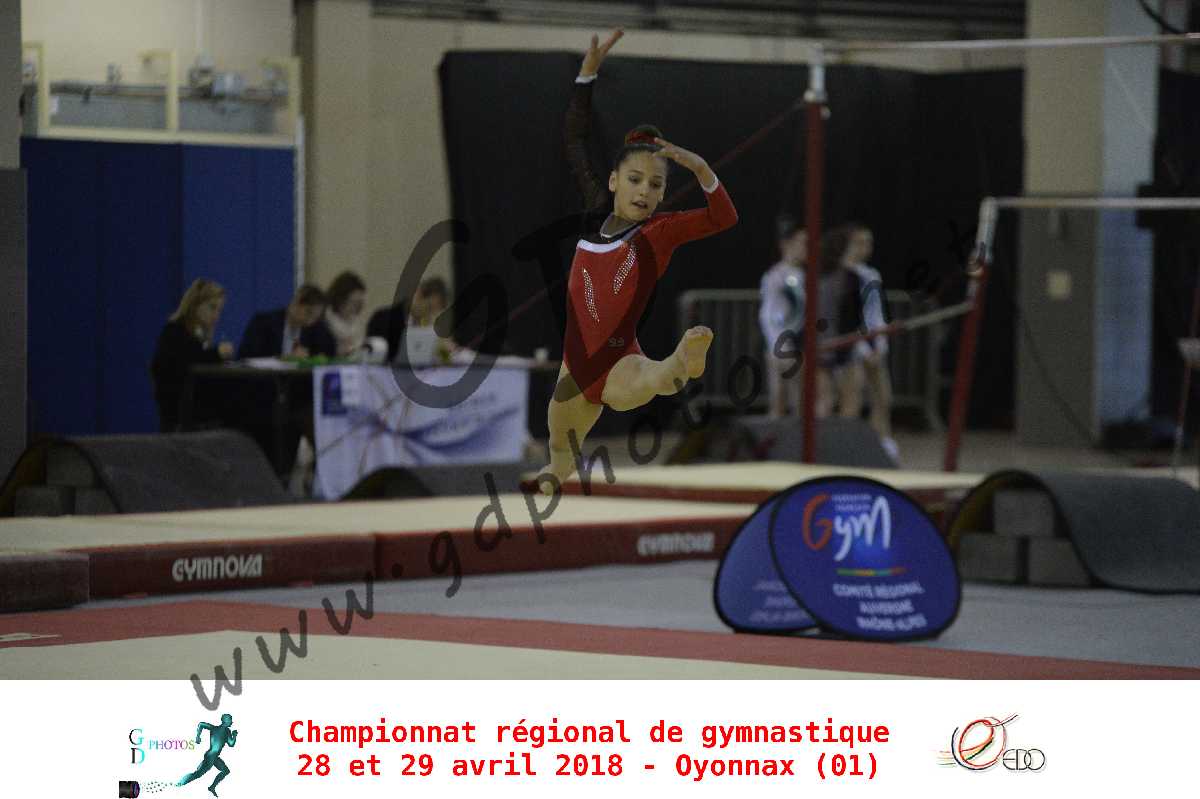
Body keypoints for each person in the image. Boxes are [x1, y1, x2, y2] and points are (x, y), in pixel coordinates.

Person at [540, 29, 738, 492]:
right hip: (573, 368)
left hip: (618, 362)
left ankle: (683, 360)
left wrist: (701, 169)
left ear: (663, 194)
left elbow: (723, 218)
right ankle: (555, 476)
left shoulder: (659, 233)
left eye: (655, 185)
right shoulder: (595, 212)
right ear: (613, 181)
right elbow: (574, 139)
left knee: (654, 378)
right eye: (635, 180)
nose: (644, 191)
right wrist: (587, 75)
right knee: (559, 448)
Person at [835, 223, 899, 463]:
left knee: (884, 397)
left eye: (869, 243)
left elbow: (875, 314)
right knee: (852, 401)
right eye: (860, 242)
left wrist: (880, 346)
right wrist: (862, 348)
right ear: (847, 245)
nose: (866, 248)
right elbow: (845, 318)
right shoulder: (838, 274)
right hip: (849, 346)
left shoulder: (871, 274)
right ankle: (844, 452)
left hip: (872, 343)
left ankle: (883, 444)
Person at [150, 279, 234, 432]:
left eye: (219, 310)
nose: (216, 316)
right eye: (212, 308)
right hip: (178, 420)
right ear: (195, 304)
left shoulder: (199, 334)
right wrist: (217, 353)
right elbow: (189, 361)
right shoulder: (174, 332)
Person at [237, 283, 337, 360]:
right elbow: (246, 358)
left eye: (315, 317)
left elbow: (326, 355)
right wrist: (284, 359)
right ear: (296, 302)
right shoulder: (263, 323)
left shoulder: (316, 329)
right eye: (308, 313)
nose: (310, 321)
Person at [177, 713, 237, 796]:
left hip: (213, 756)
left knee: (225, 771)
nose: (232, 722)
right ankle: (179, 784)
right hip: (211, 757)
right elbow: (231, 743)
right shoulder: (226, 731)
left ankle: (212, 787)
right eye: (230, 720)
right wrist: (234, 735)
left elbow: (201, 724)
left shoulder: (216, 728)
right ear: (226, 721)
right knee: (197, 774)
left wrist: (198, 736)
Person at [323, 271, 368, 356]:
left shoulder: (357, 322)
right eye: (354, 303)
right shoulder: (323, 322)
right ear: (340, 300)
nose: (357, 309)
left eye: (360, 303)